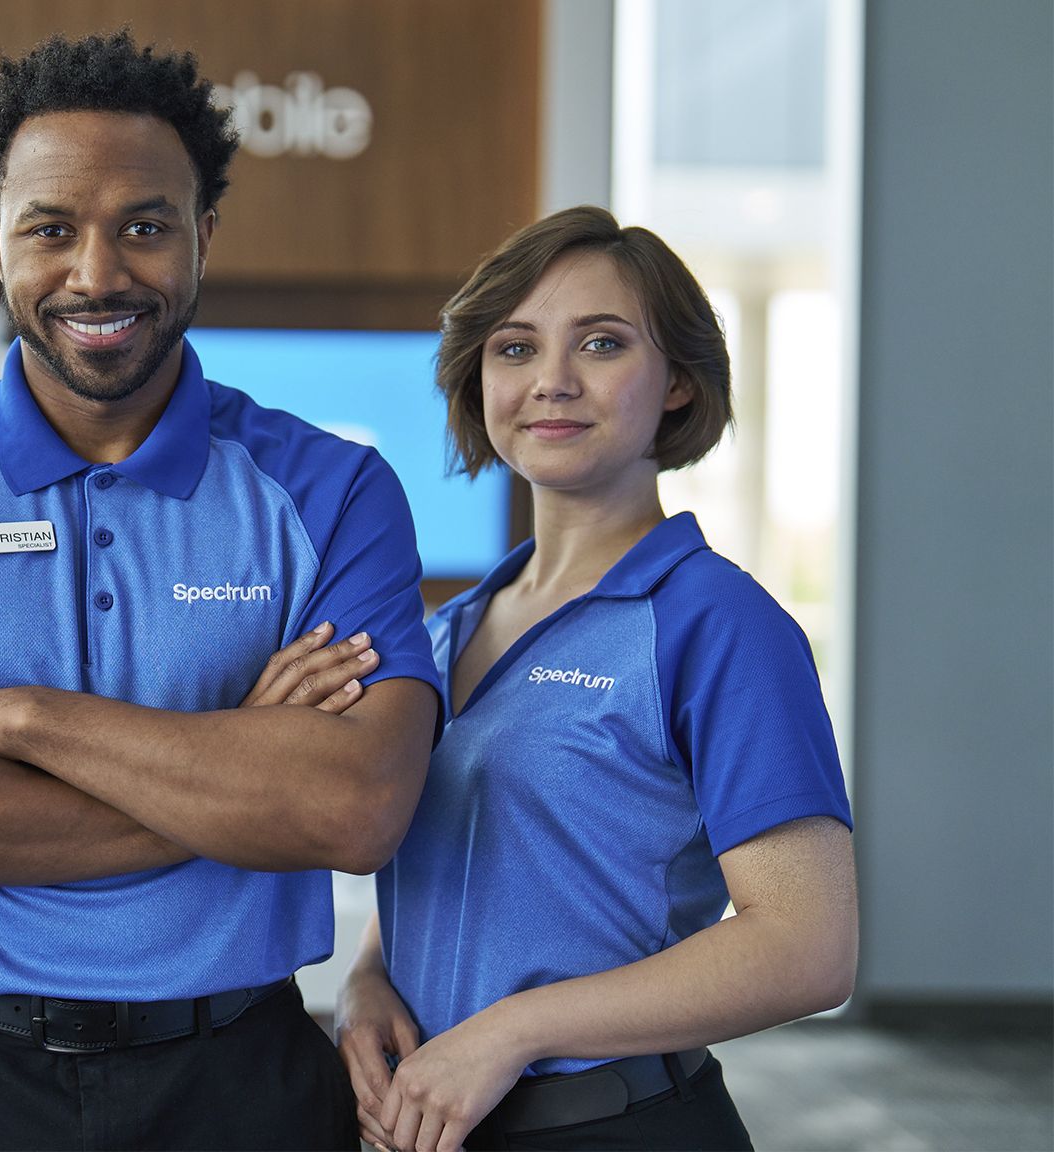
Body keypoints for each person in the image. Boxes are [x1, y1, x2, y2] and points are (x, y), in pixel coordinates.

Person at [0, 30, 441, 1150]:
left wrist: (14, 718)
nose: (96, 273)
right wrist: (232, 761)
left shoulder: (331, 487)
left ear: (202, 236)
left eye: (144, 226)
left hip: (240, 1085)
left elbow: (352, 808)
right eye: (50, 229)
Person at [336, 205, 857, 1152]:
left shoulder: (717, 624)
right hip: (432, 1126)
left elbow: (809, 948)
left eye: (603, 344)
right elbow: (463, 871)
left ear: (678, 384)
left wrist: (514, 1030)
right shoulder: (446, 631)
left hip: (617, 1126)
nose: (552, 383)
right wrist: (369, 982)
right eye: (515, 348)